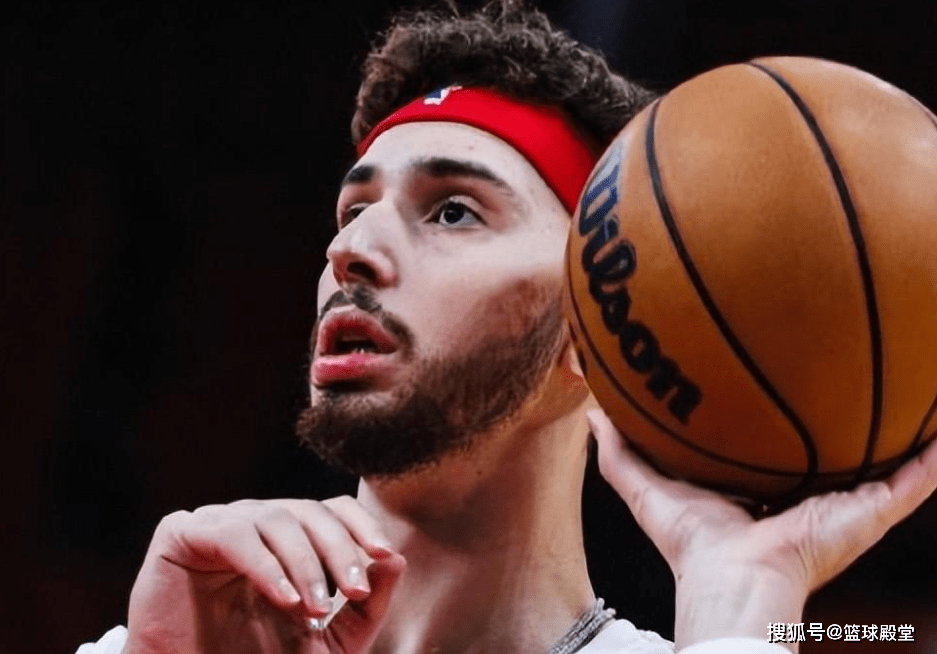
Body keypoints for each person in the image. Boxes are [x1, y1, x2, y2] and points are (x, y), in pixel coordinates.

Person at [76, 2, 937, 653]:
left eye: (452, 211)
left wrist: (739, 602)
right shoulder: (177, 635)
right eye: (352, 210)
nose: (350, 251)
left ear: (600, 326)